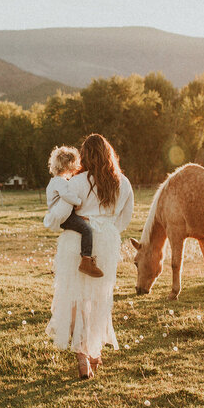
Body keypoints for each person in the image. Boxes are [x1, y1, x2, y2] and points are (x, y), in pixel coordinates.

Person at [45, 133, 134, 380]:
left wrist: (55, 222)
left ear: (84, 156)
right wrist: (105, 226)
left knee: (74, 297)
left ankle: (82, 355)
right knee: (98, 298)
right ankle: (93, 350)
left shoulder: (76, 181)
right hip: (106, 240)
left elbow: (60, 215)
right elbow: (124, 219)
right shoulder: (123, 182)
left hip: (77, 239)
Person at [44, 145, 104, 278]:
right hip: (64, 217)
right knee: (87, 230)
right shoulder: (60, 182)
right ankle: (86, 260)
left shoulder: (54, 181)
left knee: (82, 225)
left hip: (64, 216)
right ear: (68, 165)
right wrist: (78, 201)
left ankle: (86, 259)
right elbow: (66, 195)